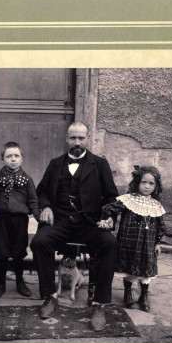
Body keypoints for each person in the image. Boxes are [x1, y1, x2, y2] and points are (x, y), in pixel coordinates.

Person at [30, 121, 119, 331]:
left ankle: (99, 304)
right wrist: (46, 206)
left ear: (88, 139)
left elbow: (111, 197)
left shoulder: (100, 164)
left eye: (81, 138)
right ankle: (50, 296)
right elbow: (41, 191)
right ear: (66, 139)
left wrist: (107, 217)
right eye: (73, 138)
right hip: (60, 221)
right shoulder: (55, 164)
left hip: (90, 223)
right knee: (39, 242)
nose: (77, 142)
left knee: (110, 244)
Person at [99, 165, 166, 311]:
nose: (147, 186)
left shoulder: (156, 205)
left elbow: (160, 226)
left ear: (156, 186)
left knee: (146, 269)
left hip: (147, 244)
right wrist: (108, 218)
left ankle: (144, 295)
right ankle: (128, 292)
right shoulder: (128, 200)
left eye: (151, 183)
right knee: (129, 268)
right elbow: (110, 208)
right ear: (137, 183)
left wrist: (158, 243)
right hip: (129, 242)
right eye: (144, 182)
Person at [0, 142, 40, 298]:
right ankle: (1, 283)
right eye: (8, 156)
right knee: (2, 251)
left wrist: (39, 217)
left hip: (19, 220)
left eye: (16, 156)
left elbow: (33, 200)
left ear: (22, 158)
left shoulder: (27, 179)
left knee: (19, 251)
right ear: (2, 158)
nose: (13, 159)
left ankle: (20, 281)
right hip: (0, 220)